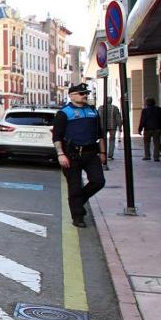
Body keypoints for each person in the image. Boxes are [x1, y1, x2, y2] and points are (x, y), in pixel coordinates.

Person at [52, 83, 107, 228]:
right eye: (82, 93)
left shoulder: (93, 111)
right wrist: (61, 154)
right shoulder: (64, 113)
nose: (85, 96)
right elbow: (57, 136)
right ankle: (78, 217)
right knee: (74, 187)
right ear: (71, 96)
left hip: (91, 153)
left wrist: (103, 153)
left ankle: (77, 201)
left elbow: (100, 134)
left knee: (99, 181)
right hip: (71, 155)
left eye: (86, 93)